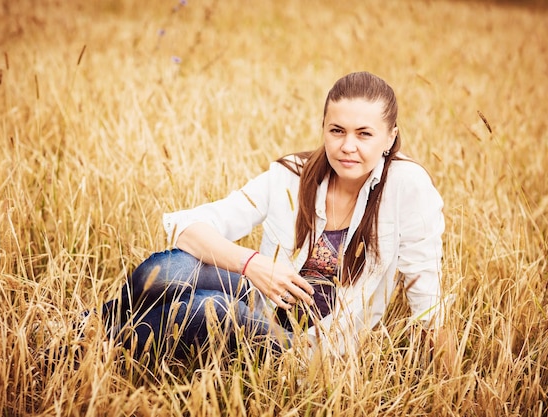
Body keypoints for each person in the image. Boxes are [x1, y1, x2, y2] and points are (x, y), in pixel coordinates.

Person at [100, 71, 453, 365]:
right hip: (261, 302)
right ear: (324, 129)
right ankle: (92, 331)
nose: (348, 146)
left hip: (309, 349)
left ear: (390, 137)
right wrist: (254, 265)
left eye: (364, 134)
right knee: (166, 271)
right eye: (337, 130)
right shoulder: (292, 174)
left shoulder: (407, 188)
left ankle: (95, 349)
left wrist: (456, 390)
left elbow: (427, 302)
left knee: (211, 307)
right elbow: (187, 228)